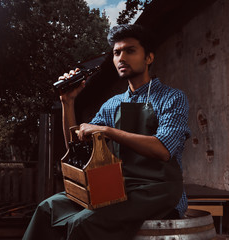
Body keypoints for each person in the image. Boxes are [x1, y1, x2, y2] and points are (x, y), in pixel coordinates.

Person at [23, 24, 190, 240]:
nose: (121, 58)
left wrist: (107, 130)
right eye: (116, 52)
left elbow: (163, 150)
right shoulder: (113, 104)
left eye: (130, 51)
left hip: (158, 191)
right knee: (47, 208)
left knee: (81, 223)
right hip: (119, 187)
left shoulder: (172, 98)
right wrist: (68, 102)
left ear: (149, 58)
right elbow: (78, 149)